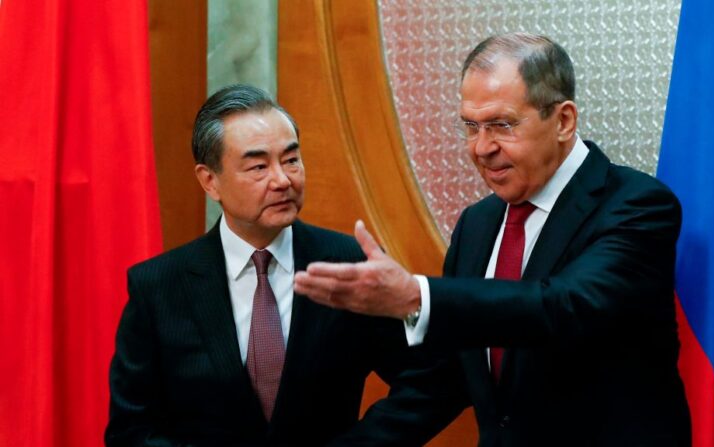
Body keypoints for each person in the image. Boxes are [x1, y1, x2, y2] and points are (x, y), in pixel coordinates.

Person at [295, 33, 692, 445]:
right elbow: (445, 378)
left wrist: (418, 296)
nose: (482, 148)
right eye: (471, 126)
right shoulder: (478, 224)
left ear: (563, 120)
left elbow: (566, 307)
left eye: (501, 125)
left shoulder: (637, 205)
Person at [105, 84, 460, 446]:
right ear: (210, 181)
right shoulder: (160, 286)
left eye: (291, 160)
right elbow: (131, 430)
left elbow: (434, 379)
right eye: (259, 167)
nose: (283, 180)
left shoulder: (347, 263)